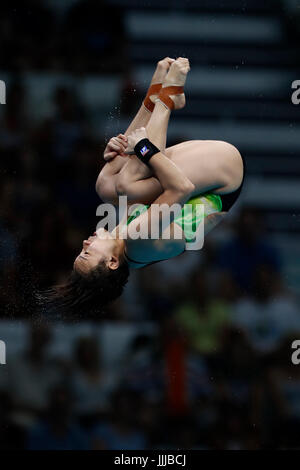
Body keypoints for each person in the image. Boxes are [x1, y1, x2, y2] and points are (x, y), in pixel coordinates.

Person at [46, 58, 245, 314]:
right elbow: (181, 188)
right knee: (127, 186)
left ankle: (154, 97)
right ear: (113, 263)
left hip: (200, 178)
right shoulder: (137, 240)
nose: (84, 244)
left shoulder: (125, 244)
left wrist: (116, 154)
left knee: (106, 186)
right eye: (87, 253)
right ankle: (166, 97)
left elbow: (137, 186)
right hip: (224, 175)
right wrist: (141, 148)